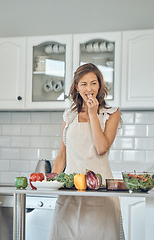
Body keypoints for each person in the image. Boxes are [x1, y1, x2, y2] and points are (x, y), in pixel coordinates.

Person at [48, 63, 124, 240]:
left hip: (100, 192)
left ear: (100, 85)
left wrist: (92, 114)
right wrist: (49, 181)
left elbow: (101, 148)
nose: (89, 88)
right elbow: (62, 155)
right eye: (83, 84)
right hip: (70, 192)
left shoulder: (111, 114)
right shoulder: (69, 115)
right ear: (76, 87)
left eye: (93, 83)